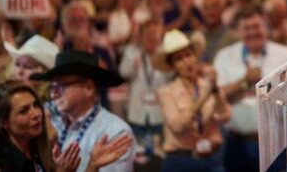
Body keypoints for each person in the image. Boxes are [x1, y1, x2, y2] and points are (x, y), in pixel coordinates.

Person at [213, 7, 287, 172]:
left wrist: (271, 87)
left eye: (256, 26)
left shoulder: (286, 56)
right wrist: (244, 82)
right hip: (236, 143)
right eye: (246, 28)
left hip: (276, 141)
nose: (252, 32)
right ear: (238, 31)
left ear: (266, 27)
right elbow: (217, 97)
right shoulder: (224, 57)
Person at [31, 50, 136, 172]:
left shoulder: (115, 132)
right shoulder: (51, 122)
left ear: (88, 88)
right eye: (53, 87)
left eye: (61, 87)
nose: (54, 95)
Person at [154, 29, 231, 172]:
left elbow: (225, 115)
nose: (186, 62)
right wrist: (205, 97)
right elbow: (177, 126)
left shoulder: (207, 86)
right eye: (179, 59)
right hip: (179, 162)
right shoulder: (165, 92)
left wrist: (215, 90)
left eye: (188, 55)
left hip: (211, 160)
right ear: (172, 67)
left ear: (195, 57)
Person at [118, 18, 170, 158]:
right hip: (138, 113)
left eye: (155, 34)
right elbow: (123, 72)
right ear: (141, 36)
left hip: (158, 113)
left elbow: (171, 77)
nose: (151, 37)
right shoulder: (133, 54)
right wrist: (133, 61)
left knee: (158, 156)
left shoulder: (166, 56)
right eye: (148, 33)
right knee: (139, 156)